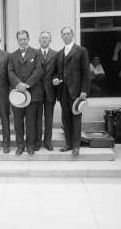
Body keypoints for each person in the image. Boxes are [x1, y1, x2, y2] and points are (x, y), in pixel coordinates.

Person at [52, 26, 90, 156]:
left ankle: (76, 146)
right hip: (62, 91)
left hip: (76, 91)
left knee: (76, 118)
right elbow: (58, 73)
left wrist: (84, 91)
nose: (66, 36)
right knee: (65, 118)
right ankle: (68, 144)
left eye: (68, 33)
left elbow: (86, 73)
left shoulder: (81, 51)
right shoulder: (59, 54)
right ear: (61, 36)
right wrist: (55, 80)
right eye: (64, 34)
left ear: (72, 35)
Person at [8, 30, 44, 155]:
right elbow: (10, 72)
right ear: (17, 40)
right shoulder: (12, 55)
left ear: (28, 39)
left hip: (32, 93)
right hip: (17, 94)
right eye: (20, 39)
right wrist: (18, 83)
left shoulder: (36, 53)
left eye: (24, 39)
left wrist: (26, 84)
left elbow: (38, 71)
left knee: (31, 122)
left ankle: (30, 145)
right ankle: (20, 145)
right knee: (17, 122)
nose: (22, 41)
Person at [36, 31, 57, 151]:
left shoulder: (56, 54)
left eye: (46, 38)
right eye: (42, 38)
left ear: (50, 40)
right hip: (37, 92)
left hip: (50, 91)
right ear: (39, 40)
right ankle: (38, 141)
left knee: (49, 118)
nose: (44, 40)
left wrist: (55, 79)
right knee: (38, 118)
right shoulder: (34, 53)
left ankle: (48, 141)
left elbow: (58, 72)